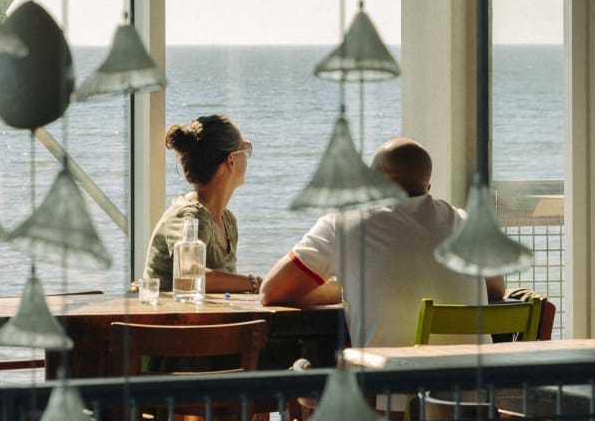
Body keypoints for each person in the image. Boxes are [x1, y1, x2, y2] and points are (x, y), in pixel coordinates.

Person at [260, 137, 503, 347]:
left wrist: (346, 291)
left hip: (387, 395)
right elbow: (495, 288)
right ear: (428, 187)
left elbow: (272, 291)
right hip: (474, 395)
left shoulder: (343, 223)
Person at [142, 114, 262, 294]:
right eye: (245, 149)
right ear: (231, 161)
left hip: (202, 318)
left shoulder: (227, 221)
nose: (248, 156)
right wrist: (257, 284)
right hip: (169, 319)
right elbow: (189, 273)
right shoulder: (188, 215)